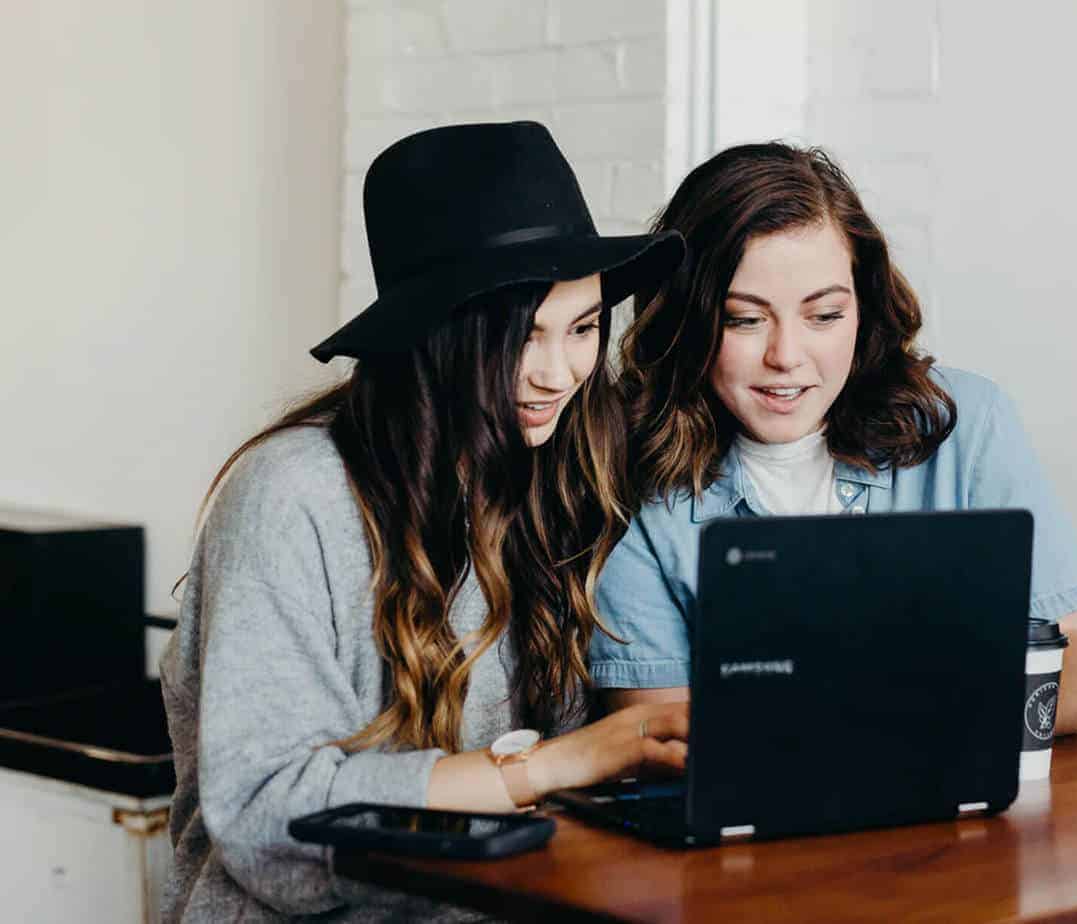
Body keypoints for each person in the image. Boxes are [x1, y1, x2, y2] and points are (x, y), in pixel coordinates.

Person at [159, 122, 688, 920]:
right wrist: (554, 765)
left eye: (582, 329)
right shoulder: (292, 494)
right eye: (521, 337)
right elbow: (267, 809)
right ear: (436, 335)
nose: (557, 373)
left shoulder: (555, 476)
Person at [590, 142, 1077, 733]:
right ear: (687, 320)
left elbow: (1074, 691)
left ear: (864, 307)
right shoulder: (630, 474)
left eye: (824, 316)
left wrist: (804, 706)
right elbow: (655, 736)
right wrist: (938, 683)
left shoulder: (966, 424)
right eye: (744, 319)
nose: (786, 357)